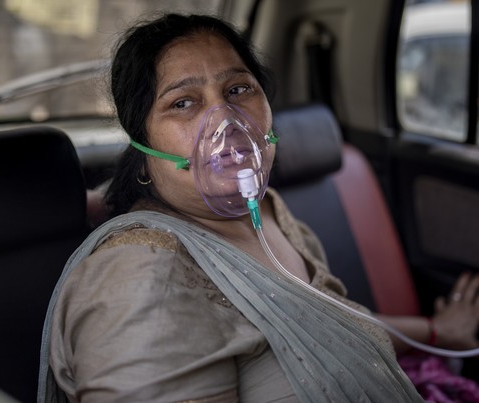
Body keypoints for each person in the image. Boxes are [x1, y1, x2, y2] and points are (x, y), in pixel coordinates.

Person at [38, 13, 450, 402]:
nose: (225, 122)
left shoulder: (270, 212)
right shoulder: (140, 281)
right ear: (143, 144)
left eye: (238, 90)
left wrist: (440, 331)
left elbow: (338, 324)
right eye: (183, 103)